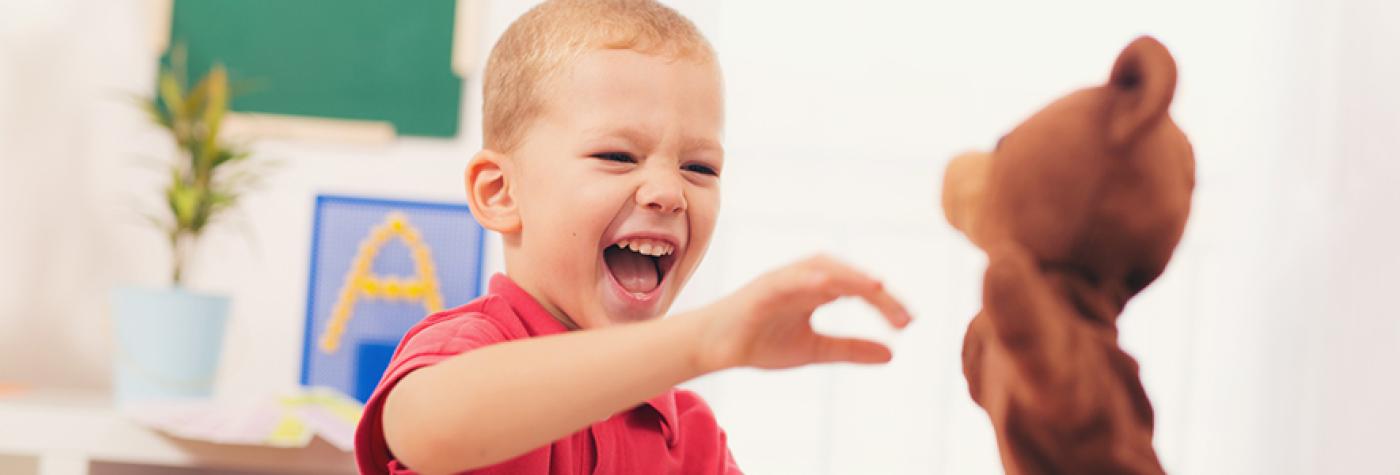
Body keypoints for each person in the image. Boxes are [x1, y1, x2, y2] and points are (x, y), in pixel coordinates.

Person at [354, 1, 912, 473]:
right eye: (617, 156)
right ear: (501, 193)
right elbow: (429, 428)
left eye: (700, 168)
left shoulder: (690, 436)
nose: (668, 192)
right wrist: (704, 341)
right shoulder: (469, 350)